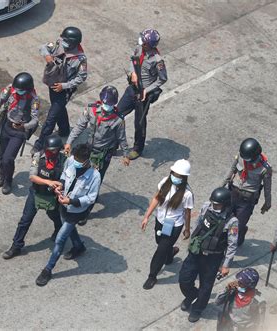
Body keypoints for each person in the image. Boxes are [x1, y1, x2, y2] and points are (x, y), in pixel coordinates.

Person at [35, 144, 101, 286]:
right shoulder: (71, 161)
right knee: (68, 227)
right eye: (75, 157)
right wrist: (60, 186)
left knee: (60, 239)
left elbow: (91, 198)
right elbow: (65, 175)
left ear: (85, 160)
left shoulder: (94, 176)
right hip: (63, 205)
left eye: (78, 159)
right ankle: (79, 246)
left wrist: (71, 200)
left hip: (75, 210)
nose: (75, 160)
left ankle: (48, 269)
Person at [179, 187, 239, 323]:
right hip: (196, 252)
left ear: (225, 204)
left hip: (213, 258)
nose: (214, 206)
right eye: (213, 203)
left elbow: (232, 244)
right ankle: (191, 295)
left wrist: (226, 265)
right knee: (184, 279)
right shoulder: (207, 207)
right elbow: (199, 223)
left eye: (217, 204)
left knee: (205, 287)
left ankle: (197, 308)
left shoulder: (232, 221)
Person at [2, 135, 65, 259]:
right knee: (25, 220)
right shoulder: (38, 157)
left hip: (52, 196)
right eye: (51, 150)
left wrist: (60, 185)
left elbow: (66, 176)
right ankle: (16, 245)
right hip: (36, 193)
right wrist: (49, 182)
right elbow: (32, 177)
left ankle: (59, 229)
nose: (53, 153)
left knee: (54, 215)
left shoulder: (64, 160)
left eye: (56, 150)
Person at [31, 26, 88, 153]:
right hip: (53, 83)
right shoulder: (59, 43)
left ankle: (40, 144)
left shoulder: (80, 58)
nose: (64, 44)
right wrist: (47, 56)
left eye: (67, 42)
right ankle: (64, 130)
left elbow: (82, 77)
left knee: (51, 118)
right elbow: (43, 47)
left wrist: (65, 86)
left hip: (65, 89)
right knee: (58, 108)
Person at [141, 159, 193, 290]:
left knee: (160, 251)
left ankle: (152, 276)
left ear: (184, 177)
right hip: (160, 220)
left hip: (174, 225)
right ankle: (170, 253)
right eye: (174, 174)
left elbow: (187, 213)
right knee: (160, 242)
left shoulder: (187, 194)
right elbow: (156, 198)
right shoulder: (165, 182)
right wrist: (146, 216)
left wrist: (187, 229)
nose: (175, 177)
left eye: (179, 176)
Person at [117, 29, 167, 160]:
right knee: (116, 114)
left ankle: (137, 148)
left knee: (139, 124)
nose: (141, 43)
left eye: (144, 42)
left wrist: (147, 89)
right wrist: (132, 72)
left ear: (150, 45)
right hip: (132, 89)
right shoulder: (139, 49)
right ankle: (114, 141)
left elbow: (162, 79)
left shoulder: (157, 60)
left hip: (143, 95)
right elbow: (132, 61)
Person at [64, 85, 130, 183]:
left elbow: (122, 137)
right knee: (78, 173)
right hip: (89, 148)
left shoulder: (118, 119)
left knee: (96, 178)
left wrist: (125, 155)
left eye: (110, 104)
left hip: (104, 153)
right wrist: (69, 142)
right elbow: (79, 126)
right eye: (105, 103)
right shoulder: (91, 110)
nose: (107, 105)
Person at [0, 72, 39, 195]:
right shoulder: (11, 89)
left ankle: (8, 182)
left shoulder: (33, 99)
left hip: (19, 132)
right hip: (7, 126)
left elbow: (35, 120)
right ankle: (2, 178)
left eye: (20, 90)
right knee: (1, 156)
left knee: (8, 158)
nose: (17, 91)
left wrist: (24, 126)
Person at [222, 138, 272, 246]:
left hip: (247, 200)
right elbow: (232, 170)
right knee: (224, 218)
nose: (246, 161)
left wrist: (267, 204)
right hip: (233, 192)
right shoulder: (241, 156)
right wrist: (221, 187)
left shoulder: (265, 168)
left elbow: (267, 188)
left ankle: (237, 240)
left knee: (238, 226)